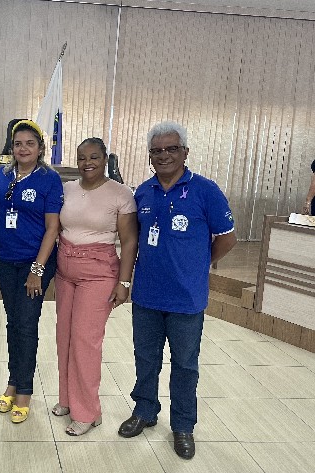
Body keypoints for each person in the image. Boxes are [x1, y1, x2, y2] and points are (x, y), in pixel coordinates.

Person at [118, 121, 237, 460]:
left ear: (185, 152)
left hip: (187, 299)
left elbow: (228, 239)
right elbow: (133, 239)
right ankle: (144, 410)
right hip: (147, 296)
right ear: (149, 156)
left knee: (185, 364)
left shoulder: (205, 190)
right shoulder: (143, 193)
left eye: (171, 149)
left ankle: (183, 425)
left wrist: (199, 263)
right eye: (156, 151)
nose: (164, 155)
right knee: (146, 359)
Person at [53, 137, 138, 436]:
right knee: (64, 338)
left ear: (105, 159)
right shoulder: (67, 189)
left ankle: (88, 412)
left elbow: (129, 241)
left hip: (99, 275)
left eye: (94, 157)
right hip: (65, 272)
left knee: (85, 342)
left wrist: (124, 282)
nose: (87, 163)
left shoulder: (121, 193)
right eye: (82, 157)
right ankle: (68, 399)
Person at [0, 119, 63, 423]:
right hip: (4, 259)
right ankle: (13, 380)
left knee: (26, 323)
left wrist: (37, 269)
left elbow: (52, 228)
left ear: (40, 148)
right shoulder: (2, 175)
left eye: (30, 143)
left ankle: (24, 391)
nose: (23, 149)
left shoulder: (49, 179)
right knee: (13, 323)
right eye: (18, 143)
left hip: (35, 262)